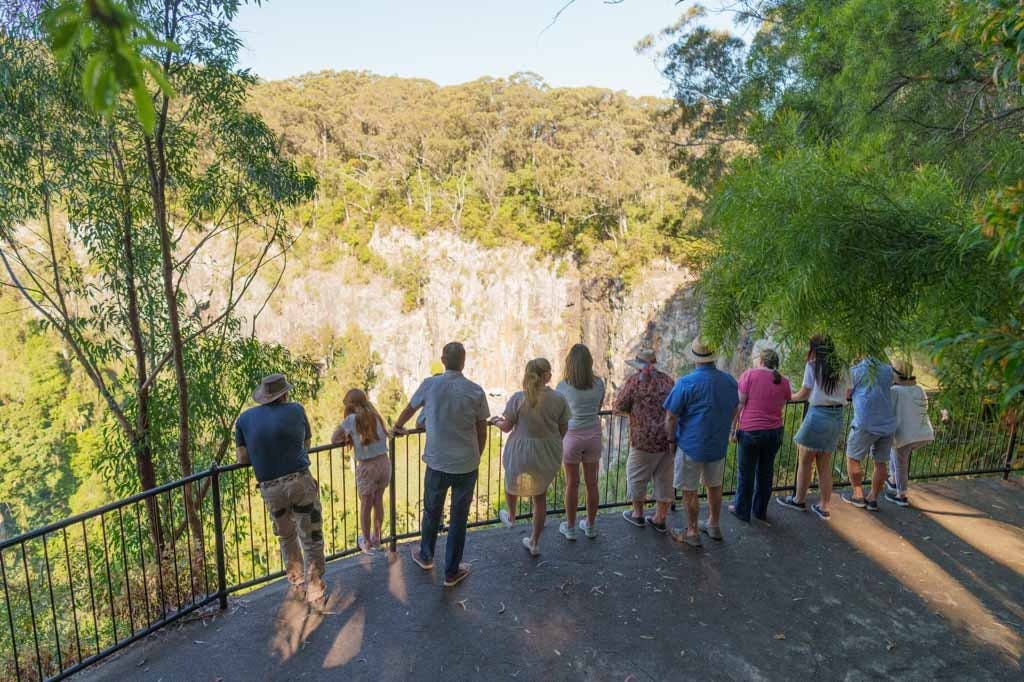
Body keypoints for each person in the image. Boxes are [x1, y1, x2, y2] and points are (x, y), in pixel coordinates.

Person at [392, 342, 489, 588]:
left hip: (436, 462)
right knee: (459, 518)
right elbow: (482, 431)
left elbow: (409, 409)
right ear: (463, 361)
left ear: (443, 360)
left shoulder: (430, 385)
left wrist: (397, 427)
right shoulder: (475, 391)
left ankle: (426, 556)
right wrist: (476, 456)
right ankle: (451, 571)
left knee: (432, 510)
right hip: (466, 464)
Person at [235, 373, 325, 604]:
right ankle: (315, 589)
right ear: (284, 393)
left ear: (263, 397)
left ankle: (297, 583)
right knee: (311, 534)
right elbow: (306, 443)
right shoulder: (296, 410)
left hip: (270, 489)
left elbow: (242, 458)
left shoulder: (244, 420)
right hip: (299, 482)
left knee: (286, 536)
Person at [663, 338, 739, 546]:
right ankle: (713, 525)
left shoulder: (686, 383)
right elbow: (735, 408)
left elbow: (671, 417)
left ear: (695, 358)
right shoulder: (730, 381)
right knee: (714, 485)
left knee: (689, 489)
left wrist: (671, 440)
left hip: (691, 445)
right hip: (717, 444)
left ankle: (692, 531)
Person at [493, 358, 570, 556]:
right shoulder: (559, 399)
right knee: (540, 497)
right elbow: (563, 428)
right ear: (548, 376)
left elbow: (507, 427)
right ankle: (534, 542)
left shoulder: (519, 398)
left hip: (520, 449)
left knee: (511, 481)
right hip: (547, 450)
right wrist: (550, 441)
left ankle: (511, 515)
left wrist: (495, 422)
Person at [777, 335, 849, 520]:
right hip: (837, 416)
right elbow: (849, 391)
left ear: (815, 348)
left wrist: (787, 397)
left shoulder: (813, 366)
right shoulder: (843, 366)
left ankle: (799, 499)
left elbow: (804, 393)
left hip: (818, 414)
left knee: (805, 460)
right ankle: (824, 506)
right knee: (824, 464)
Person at [614, 348, 676, 533]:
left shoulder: (634, 383)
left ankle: (638, 514)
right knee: (665, 478)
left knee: (636, 476)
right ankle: (660, 518)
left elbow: (620, 405)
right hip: (667, 437)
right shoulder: (667, 380)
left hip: (643, 439)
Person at [730, 348, 791, 523]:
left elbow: (739, 404)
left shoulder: (749, 375)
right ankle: (760, 511)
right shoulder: (784, 381)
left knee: (746, 474)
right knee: (765, 473)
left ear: (761, 361)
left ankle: (742, 511)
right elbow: (784, 402)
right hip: (774, 433)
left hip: (750, 432)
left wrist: (733, 429)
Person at [555, 344, 605, 540]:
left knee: (572, 484)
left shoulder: (563, 386)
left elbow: (560, 413)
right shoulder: (599, 383)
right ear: (589, 363)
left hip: (571, 436)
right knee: (592, 483)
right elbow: (598, 407)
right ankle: (591, 526)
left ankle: (570, 527)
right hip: (593, 435)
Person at [331, 389, 390, 553]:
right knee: (378, 501)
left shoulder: (351, 420)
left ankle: (366, 541)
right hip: (384, 463)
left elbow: (334, 438)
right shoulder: (376, 416)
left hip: (367, 466)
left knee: (365, 504)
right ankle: (377, 537)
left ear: (351, 405)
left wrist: (347, 437)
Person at [841, 355, 897, 512]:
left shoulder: (856, 371)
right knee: (880, 462)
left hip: (865, 423)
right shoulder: (888, 370)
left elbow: (846, 395)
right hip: (887, 423)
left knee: (853, 458)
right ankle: (872, 499)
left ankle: (858, 495)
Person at [884, 359, 934, 506]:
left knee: (900, 463)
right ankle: (893, 480)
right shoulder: (919, 388)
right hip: (922, 433)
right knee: (897, 454)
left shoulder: (895, 391)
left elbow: (889, 409)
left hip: (905, 434)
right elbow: (925, 406)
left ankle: (902, 495)